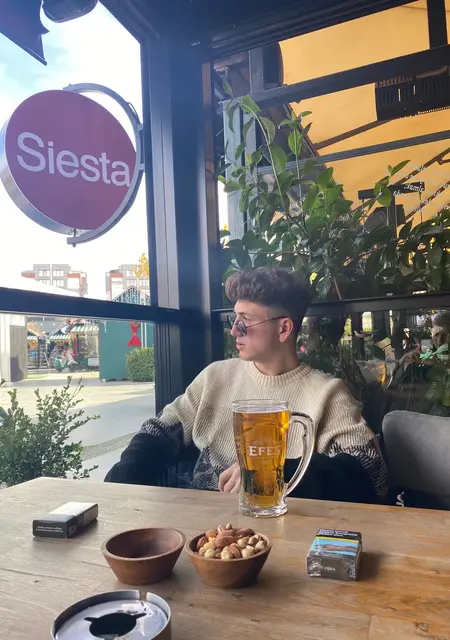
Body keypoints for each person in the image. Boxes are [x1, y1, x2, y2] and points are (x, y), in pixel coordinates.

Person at [105, 268, 387, 504]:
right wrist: (120, 481)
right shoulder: (216, 376)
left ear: (284, 328)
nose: (233, 331)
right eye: (234, 319)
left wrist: (273, 471)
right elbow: (158, 432)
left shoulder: (326, 394)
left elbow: (371, 473)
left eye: (245, 321)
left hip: (279, 530)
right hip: (200, 529)